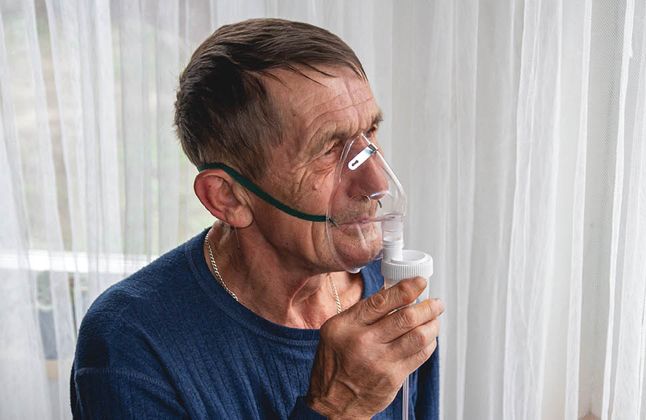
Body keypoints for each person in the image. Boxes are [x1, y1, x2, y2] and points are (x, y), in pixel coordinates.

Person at [70, 18, 443, 419]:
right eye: (329, 150)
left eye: (370, 132)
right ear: (227, 197)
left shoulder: (389, 295)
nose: (377, 181)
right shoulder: (132, 345)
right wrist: (335, 409)